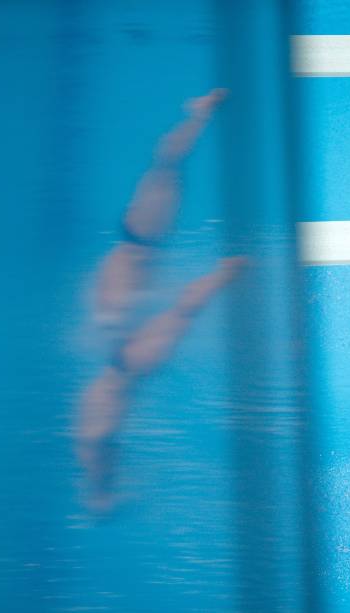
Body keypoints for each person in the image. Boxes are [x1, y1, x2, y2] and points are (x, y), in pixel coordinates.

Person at [77, 89, 243, 512]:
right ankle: (198, 114)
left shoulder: (111, 383)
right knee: (169, 168)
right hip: (135, 260)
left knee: (169, 168)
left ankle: (198, 114)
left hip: (137, 256)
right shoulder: (115, 376)